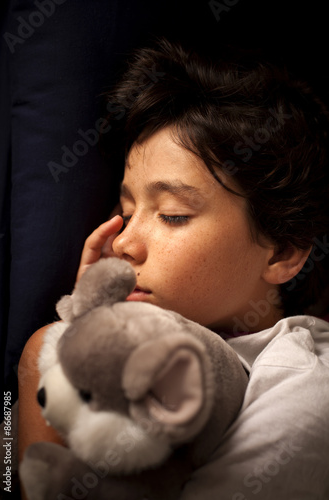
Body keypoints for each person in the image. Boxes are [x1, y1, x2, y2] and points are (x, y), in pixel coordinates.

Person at [18, 39, 329, 498]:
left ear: (282, 251)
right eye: (125, 210)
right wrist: (83, 337)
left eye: (173, 215)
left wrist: (46, 357)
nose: (123, 243)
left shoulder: (305, 388)